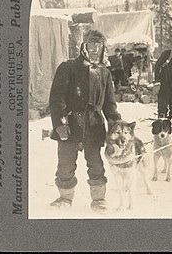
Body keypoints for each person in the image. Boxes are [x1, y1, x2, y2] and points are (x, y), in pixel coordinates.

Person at [48, 29, 121, 213]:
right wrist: (60, 124)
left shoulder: (104, 73)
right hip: (71, 123)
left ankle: (99, 199)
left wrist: (117, 127)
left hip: (94, 126)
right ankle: (65, 197)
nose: (95, 48)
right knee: (65, 163)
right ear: (84, 46)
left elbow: (110, 105)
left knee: (96, 164)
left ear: (103, 48)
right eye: (91, 44)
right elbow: (57, 99)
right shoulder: (68, 67)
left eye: (98, 45)